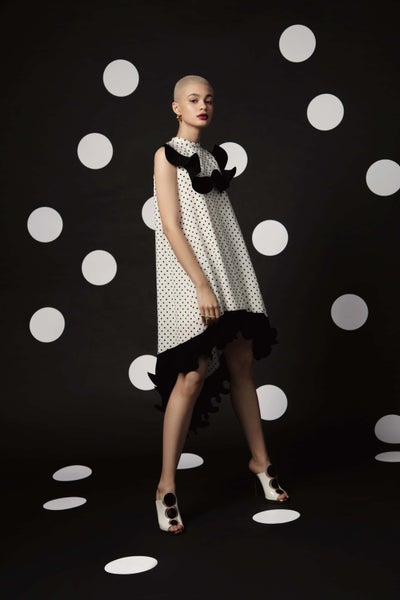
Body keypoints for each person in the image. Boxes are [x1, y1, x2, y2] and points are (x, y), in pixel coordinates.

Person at [151, 75, 289, 535]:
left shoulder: (211, 158)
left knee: (242, 361)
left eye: (208, 99)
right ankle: (166, 485)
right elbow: (171, 224)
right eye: (193, 99)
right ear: (177, 107)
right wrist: (201, 284)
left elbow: (221, 223)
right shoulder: (165, 155)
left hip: (227, 266)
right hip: (191, 275)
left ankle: (260, 461)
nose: (203, 105)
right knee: (192, 374)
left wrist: (231, 278)